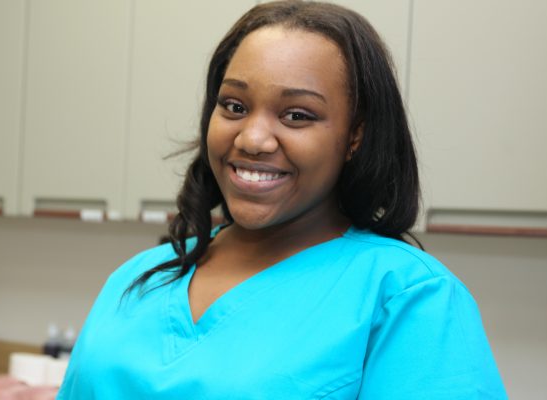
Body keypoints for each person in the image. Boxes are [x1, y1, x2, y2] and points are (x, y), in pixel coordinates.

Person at [57, 1, 507, 399]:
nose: (252, 138)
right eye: (233, 106)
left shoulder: (408, 298)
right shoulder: (137, 279)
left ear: (355, 136)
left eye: (297, 115)